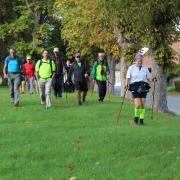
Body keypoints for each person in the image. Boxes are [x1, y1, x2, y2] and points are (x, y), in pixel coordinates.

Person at [125, 53, 154, 125]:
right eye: (138, 61)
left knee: (143, 104)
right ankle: (136, 118)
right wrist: (126, 84)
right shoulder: (131, 68)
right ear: (135, 60)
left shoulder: (145, 68)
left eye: (141, 61)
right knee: (138, 105)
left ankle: (141, 120)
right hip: (134, 86)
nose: (140, 62)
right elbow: (127, 77)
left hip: (143, 85)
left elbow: (148, 77)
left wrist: (152, 79)